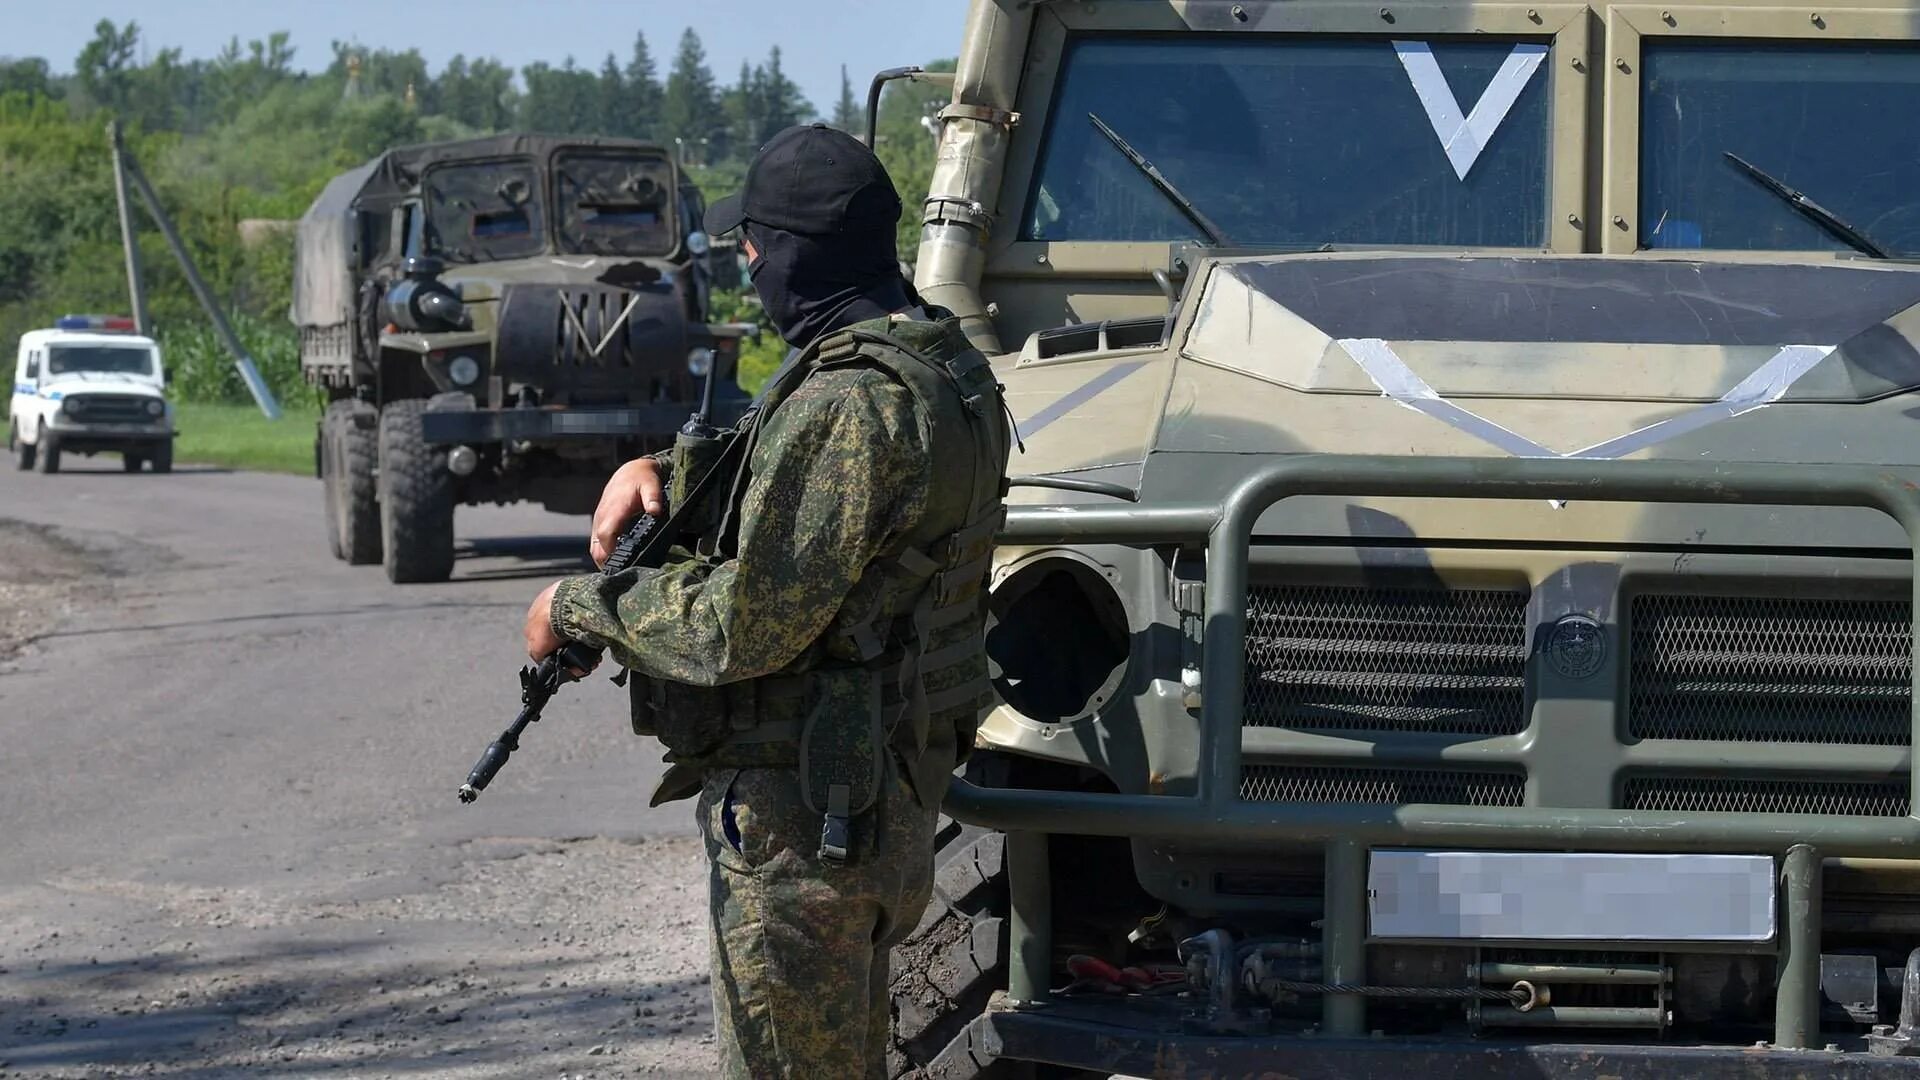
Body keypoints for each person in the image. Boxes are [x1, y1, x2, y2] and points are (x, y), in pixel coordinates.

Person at [522, 123, 1013, 1079]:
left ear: (786, 250)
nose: (748, 270)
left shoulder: (848, 405)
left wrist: (575, 607)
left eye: (750, 249)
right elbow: (847, 514)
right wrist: (660, 467)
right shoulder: (941, 367)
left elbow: (741, 626)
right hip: (882, 787)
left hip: (808, 825)